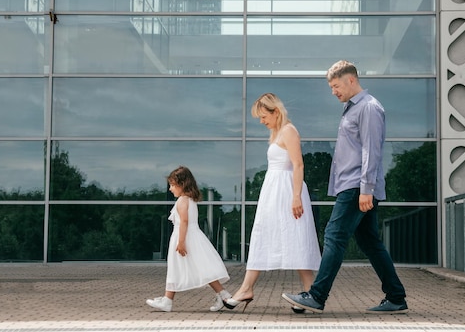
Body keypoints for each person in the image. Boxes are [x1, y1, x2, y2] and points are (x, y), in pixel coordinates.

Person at [281, 60, 408, 314]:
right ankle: (396, 296)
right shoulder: (351, 109)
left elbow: (371, 151)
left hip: (357, 186)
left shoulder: (369, 108)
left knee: (334, 236)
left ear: (351, 80)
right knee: (370, 242)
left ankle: (317, 296)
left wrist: (366, 189)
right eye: (331, 87)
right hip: (353, 186)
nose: (333, 92)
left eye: (336, 86)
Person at [224, 93, 321, 313]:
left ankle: (311, 292)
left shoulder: (289, 131)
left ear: (275, 111)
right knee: (263, 234)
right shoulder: (277, 132)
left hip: (287, 191)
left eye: (263, 116)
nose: (261, 121)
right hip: (274, 192)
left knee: (296, 237)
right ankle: (248, 288)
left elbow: (298, 165)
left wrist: (296, 196)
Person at [146, 166, 231, 312]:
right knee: (202, 268)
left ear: (182, 184)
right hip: (192, 237)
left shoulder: (182, 201)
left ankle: (167, 301)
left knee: (175, 268)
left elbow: (184, 221)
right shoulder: (190, 200)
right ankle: (223, 295)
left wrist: (181, 242)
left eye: (173, 185)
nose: (170, 189)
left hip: (185, 238)